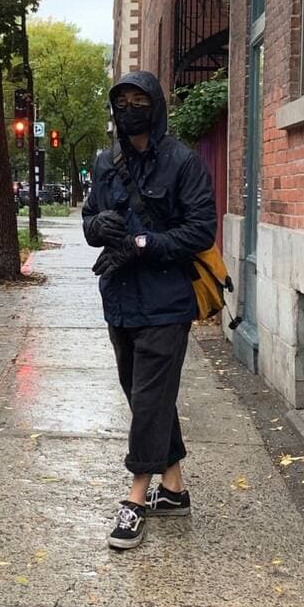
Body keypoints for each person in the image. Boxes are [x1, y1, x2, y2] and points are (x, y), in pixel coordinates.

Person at [82, 71, 216, 551]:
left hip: (166, 302)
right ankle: (174, 488)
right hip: (119, 301)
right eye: (123, 101)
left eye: (140, 100)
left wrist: (145, 241)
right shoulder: (105, 162)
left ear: (155, 106)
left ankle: (136, 498)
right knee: (146, 398)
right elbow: (88, 223)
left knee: (149, 397)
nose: (130, 109)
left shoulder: (183, 162)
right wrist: (101, 225)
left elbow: (201, 231)